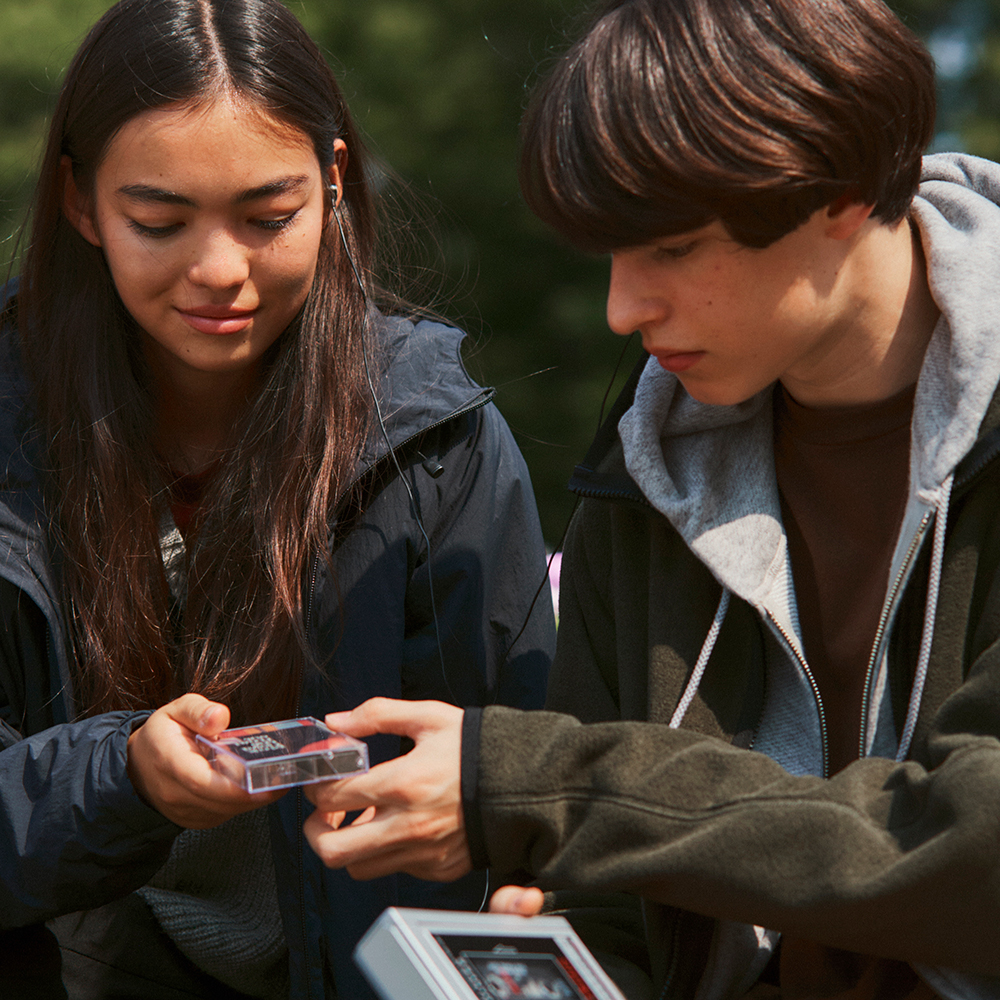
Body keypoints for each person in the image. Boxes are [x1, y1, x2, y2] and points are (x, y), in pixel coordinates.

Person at [301, 0, 1000, 997]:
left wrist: (538, 785)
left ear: (840, 193)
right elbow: (629, 893)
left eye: (669, 249)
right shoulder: (643, 469)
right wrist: (577, 955)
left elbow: (975, 850)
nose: (623, 309)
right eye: (610, 257)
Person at [0, 1, 555, 998]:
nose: (221, 272)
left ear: (334, 182)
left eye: (268, 218)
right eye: (158, 222)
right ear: (80, 202)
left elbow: (532, 757)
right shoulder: (12, 431)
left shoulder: (435, 440)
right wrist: (121, 779)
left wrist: (517, 862)